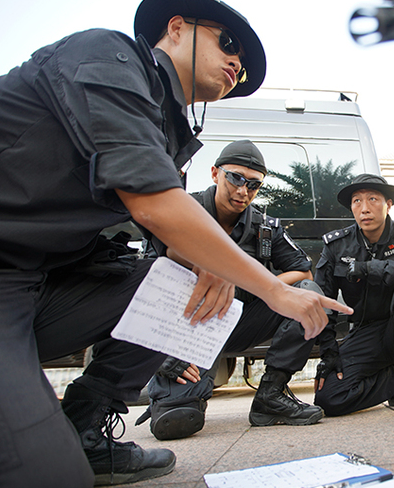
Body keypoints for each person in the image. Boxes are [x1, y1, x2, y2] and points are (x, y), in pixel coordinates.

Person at [0, 0, 349, 488]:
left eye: (246, 65)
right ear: (176, 27)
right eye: (228, 42)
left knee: (176, 285)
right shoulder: (108, 57)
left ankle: (84, 428)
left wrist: (207, 260)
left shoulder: (170, 129)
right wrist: (274, 289)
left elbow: (169, 225)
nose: (237, 63)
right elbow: (156, 205)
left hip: (33, 284)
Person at [132, 140, 324, 439]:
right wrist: (163, 355)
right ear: (214, 173)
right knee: (178, 420)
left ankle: (271, 396)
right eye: (234, 178)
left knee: (309, 292)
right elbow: (146, 287)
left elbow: (303, 270)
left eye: (253, 184)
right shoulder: (182, 210)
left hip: (240, 320)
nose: (242, 191)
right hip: (187, 329)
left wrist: (257, 283)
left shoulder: (264, 225)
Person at [313, 174, 394, 420]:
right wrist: (329, 352)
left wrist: (372, 268)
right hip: (364, 331)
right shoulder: (337, 245)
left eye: (373, 199)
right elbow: (322, 301)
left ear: (388, 204)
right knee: (329, 398)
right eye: (357, 201)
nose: (365, 208)